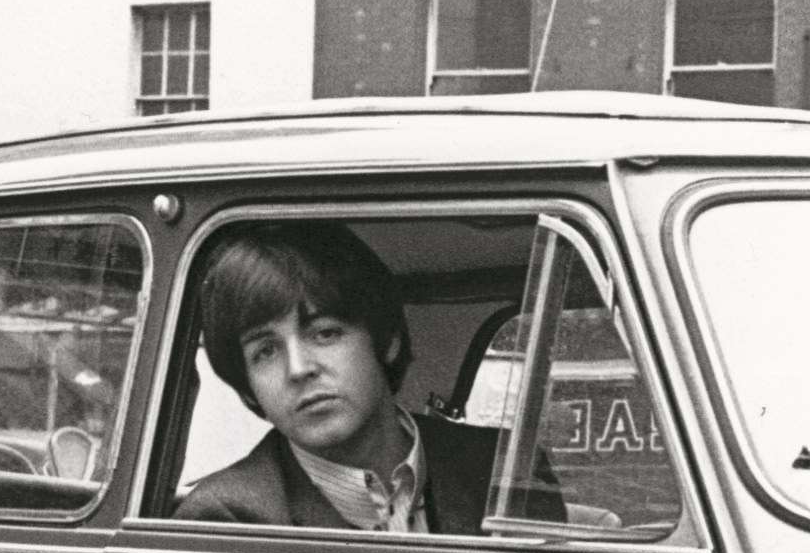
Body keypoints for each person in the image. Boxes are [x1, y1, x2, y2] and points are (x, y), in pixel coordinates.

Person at [173, 223, 555, 535]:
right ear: (249, 389)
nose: (298, 368)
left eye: (324, 333)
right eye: (265, 352)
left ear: (387, 341)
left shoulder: (503, 472)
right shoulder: (224, 518)